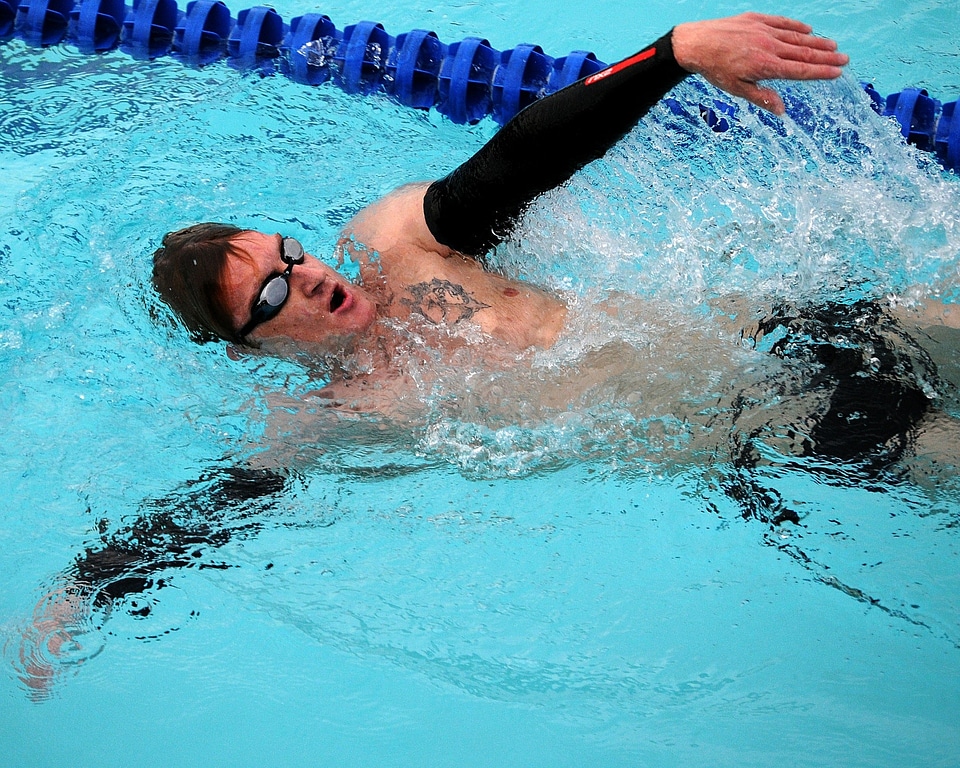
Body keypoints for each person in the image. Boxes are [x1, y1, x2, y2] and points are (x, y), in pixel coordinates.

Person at [152, 13, 852, 368]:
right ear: (248, 347)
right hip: (757, 430)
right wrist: (85, 587)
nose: (304, 277)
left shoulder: (393, 247)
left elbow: (514, 164)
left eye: (290, 254)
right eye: (271, 294)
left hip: (762, 331)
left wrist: (670, 55)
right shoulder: (347, 413)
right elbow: (226, 502)